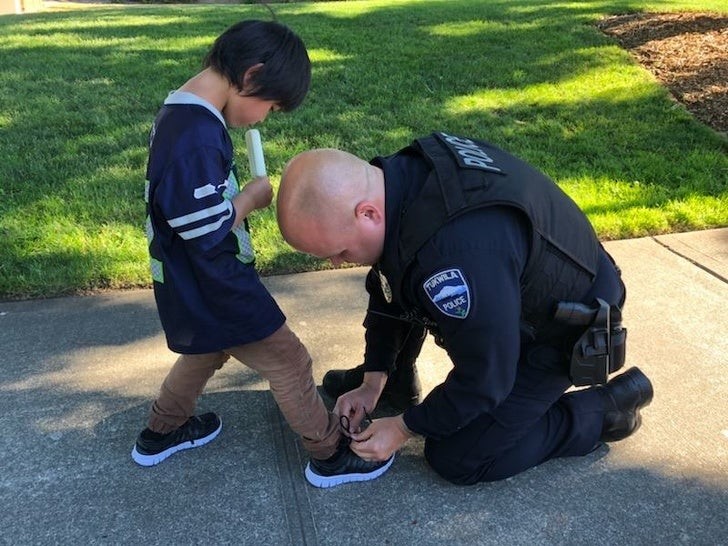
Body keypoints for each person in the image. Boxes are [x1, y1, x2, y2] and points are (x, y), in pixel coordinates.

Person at [276, 132, 654, 484]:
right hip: (522, 286)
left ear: (368, 213)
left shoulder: (453, 258)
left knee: (459, 456)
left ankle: (604, 409)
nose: (338, 264)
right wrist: (374, 380)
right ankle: (397, 382)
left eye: (340, 252)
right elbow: (389, 283)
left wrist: (406, 427)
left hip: (564, 328)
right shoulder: (398, 180)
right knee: (411, 276)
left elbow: (486, 377)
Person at [133, 19, 393, 489]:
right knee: (289, 361)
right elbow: (204, 228)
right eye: (270, 106)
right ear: (251, 77)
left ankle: (162, 430)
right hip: (217, 282)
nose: (264, 117)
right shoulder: (194, 135)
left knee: (205, 352)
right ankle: (330, 453)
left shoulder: (183, 114)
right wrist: (249, 199)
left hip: (191, 283)